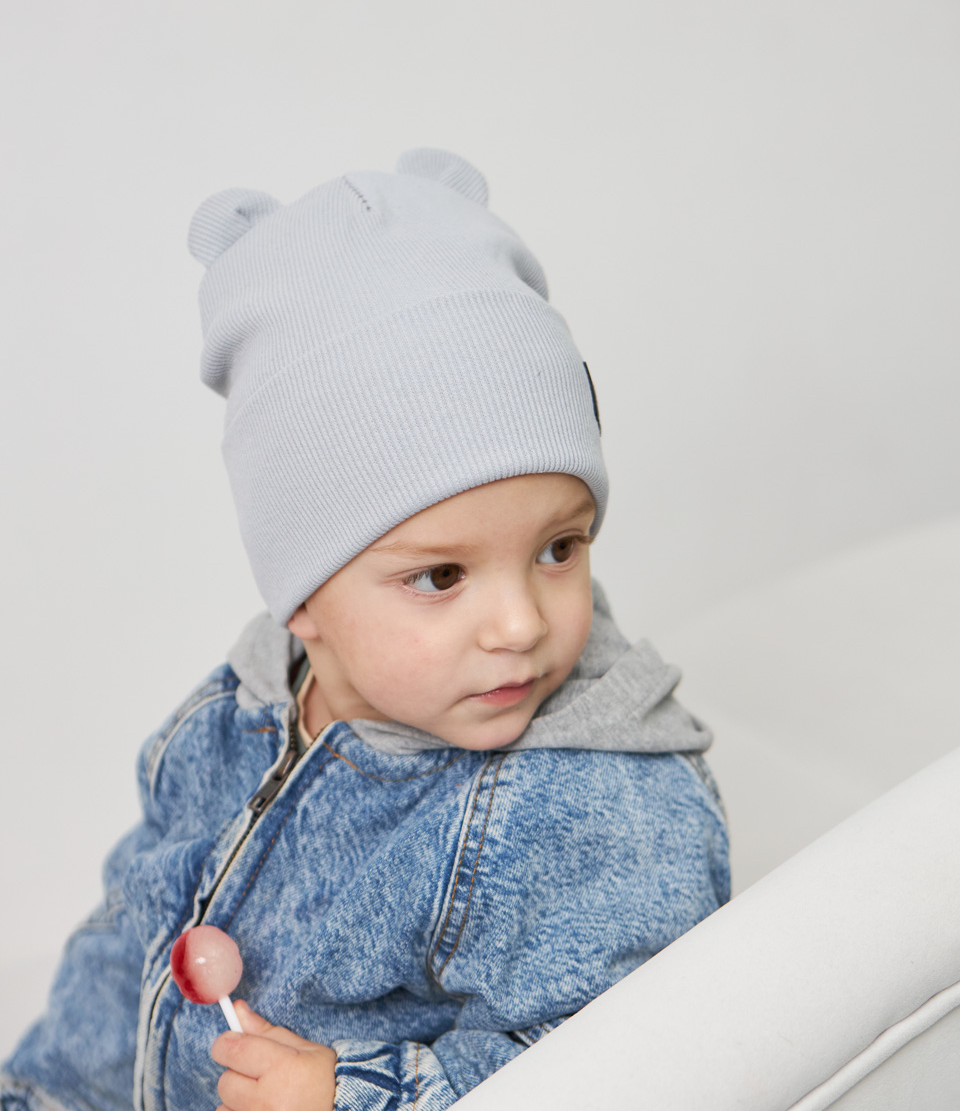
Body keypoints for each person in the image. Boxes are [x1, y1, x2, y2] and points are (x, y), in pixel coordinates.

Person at [0, 148, 729, 1111]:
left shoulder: (588, 811)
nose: (520, 623)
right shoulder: (233, 716)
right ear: (303, 596)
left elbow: (622, 1067)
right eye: (441, 576)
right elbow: (132, 941)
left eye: (559, 548)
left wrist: (353, 1095)